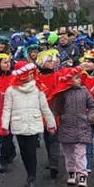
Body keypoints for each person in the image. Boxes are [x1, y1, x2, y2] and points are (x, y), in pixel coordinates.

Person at [2, 61, 56, 187]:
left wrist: (51, 123)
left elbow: (45, 108)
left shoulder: (37, 89)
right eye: (29, 73)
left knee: (31, 152)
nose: (32, 75)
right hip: (18, 124)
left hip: (33, 123)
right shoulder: (11, 90)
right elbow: (7, 109)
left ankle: (32, 180)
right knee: (24, 153)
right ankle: (29, 175)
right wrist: (5, 125)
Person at [53, 67, 94, 187]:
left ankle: (82, 175)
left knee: (80, 152)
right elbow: (56, 109)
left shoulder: (84, 91)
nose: (79, 80)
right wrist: (53, 122)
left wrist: (88, 118)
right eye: (76, 78)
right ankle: (71, 171)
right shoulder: (62, 93)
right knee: (68, 153)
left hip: (82, 127)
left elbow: (92, 105)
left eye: (79, 77)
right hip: (66, 127)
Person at [35, 49, 62, 179]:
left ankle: (54, 162)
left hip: (54, 109)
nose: (53, 62)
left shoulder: (57, 75)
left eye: (53, 60)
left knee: (53, 136)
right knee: (46, 135)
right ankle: (51, 158)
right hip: (41, 110)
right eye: (49, 61)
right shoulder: (36, 77)